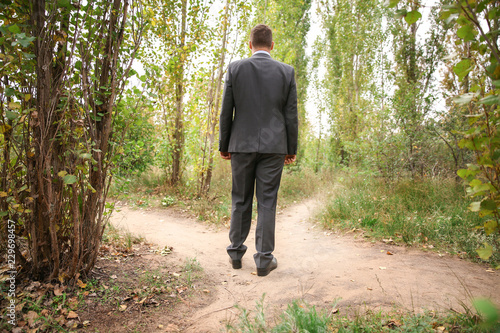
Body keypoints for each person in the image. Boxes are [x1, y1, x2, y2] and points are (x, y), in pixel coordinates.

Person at [218, 24, 298, 277]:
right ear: (272, 46)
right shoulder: (286, 71)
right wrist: (291, 148)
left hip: (240, 144)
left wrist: (224, 145)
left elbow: (226, 110)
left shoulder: (235, 68)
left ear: (249, 45)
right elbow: (291, 115)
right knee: (267, 202)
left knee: (240, 198)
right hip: (275, 146)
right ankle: (264, 260)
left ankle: (235, 254)